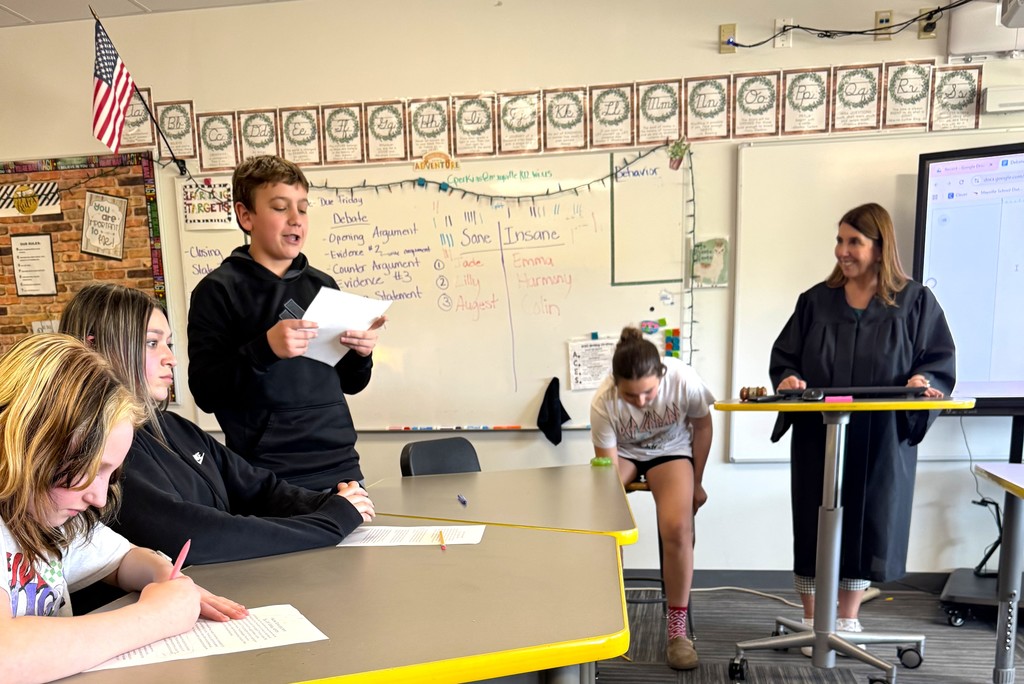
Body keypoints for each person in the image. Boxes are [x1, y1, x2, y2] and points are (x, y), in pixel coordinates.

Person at [60, 284, 376, 565]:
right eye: (152, 344)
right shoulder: (99, 444)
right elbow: (193, 535)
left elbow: (257, 488)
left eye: (168, 344)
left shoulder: (173, 427)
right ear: (94, 347)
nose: (171, 358)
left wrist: (329, 501)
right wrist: (329, 523)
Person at [0, 334, 247, 683]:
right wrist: (156, 618)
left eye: (110, 475)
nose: (99, 499)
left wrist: (168, 580)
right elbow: (6, 655)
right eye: (89, 472)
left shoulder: (47, 518)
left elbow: (123, 559)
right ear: (26, 446)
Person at [769, 202, 955, 645]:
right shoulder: (815, 301)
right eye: (840, 240)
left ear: (879, 246)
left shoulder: (915, 302)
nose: (842, 250)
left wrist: (922, 381)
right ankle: (812, 618)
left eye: (854, 241)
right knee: (813, 520)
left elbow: (936, 361)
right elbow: (786, 358)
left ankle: (848, 618)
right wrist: (789, 379)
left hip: (880, 435)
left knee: (865, 520)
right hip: (819, 431)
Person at [187, 155, 386, 491]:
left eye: (303, 209)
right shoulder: (217, 291)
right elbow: (206, 393)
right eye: (280, 207)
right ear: (245, 216)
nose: (296, 219)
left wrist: (360, 355)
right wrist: (264, 349)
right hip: (269, 477)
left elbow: (352, 383)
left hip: (342, 468)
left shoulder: (323, 285)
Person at [590, 327, 714, 671]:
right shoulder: (603, 402)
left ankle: (677, 631)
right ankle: (607, 617)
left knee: (676, 528)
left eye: (648, 392)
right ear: (616, 386)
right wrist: (611, 505)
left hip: (671, 451)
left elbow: (703, 426)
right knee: (605, 517)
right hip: (625, 454)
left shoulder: (683, 379)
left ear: (661, 374)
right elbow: (608, 468)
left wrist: (697, 482)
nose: (642, 402)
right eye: (631, 396)